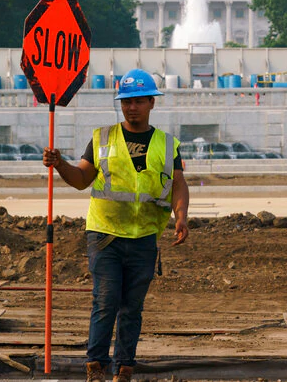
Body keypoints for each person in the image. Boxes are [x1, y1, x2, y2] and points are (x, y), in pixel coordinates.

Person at [43, 68, 189, 382]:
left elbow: (179, 184)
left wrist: (181, 217)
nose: (131, 107)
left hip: (144, 237)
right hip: (104, 235)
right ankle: (96, 366)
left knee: (131, 307)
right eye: (125, 101)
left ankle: (124, 368)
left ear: (152, 103)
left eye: (138, 101)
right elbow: (82, 179)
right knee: (106, 300)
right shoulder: (101, 138)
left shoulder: (167, 144)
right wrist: (60, 165)